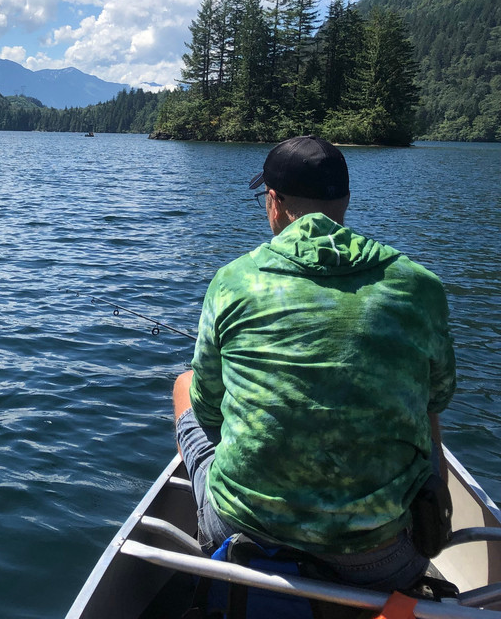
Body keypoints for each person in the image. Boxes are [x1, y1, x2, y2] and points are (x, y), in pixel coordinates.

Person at [172, 135, 456, 592]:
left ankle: (224, 539)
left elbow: (207, 409)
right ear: (345, 199)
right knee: (425, 405)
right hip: (383, 557)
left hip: (245, 532)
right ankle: (432, 513)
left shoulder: (233, 280)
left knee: (186, 383)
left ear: (275, 202)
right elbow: (437, 395)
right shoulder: (419, 285)